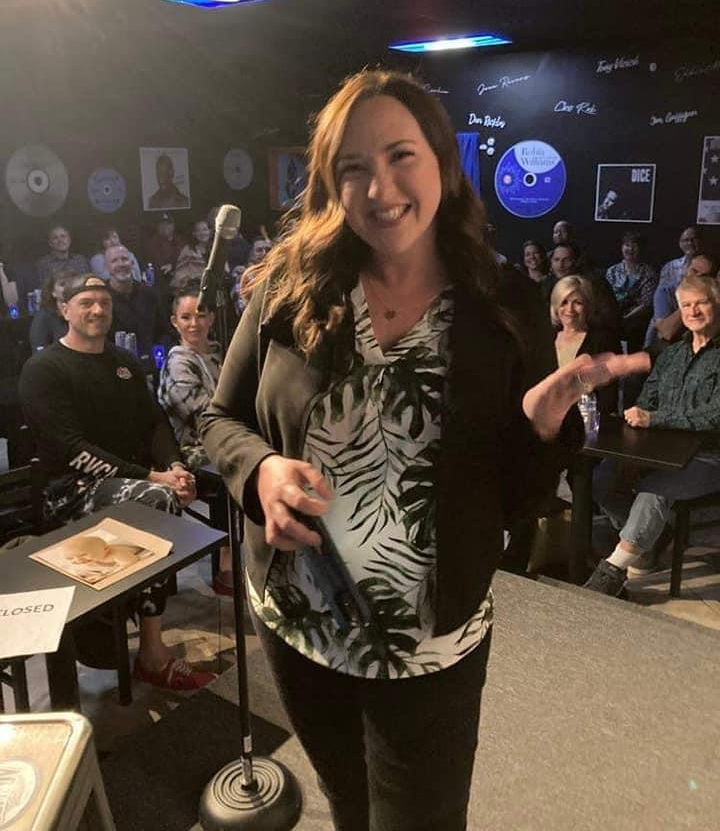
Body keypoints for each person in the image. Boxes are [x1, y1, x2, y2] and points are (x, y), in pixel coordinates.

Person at [200, 69, 646, 831]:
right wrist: (262, 471)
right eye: (353, 167)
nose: (380, 188)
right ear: (330, 183)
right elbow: (219, 421)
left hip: (429, 644)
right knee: (349, 805)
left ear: (442, 162)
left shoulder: (502, 303)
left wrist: (541, 429)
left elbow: (518, 501)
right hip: (297, 622)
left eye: (400, 155)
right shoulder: (290, 286)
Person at [19, 273, 215, 689]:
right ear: (64, 309)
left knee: (162, 493)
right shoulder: (43, 369)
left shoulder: (123, 362)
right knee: (158, 499)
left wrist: (175, 466)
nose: (97, 310)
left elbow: (154, 422)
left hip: (131, 482)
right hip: (69, 493)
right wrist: (154, 477)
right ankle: (153, 653)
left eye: (104, 303)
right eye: (86, 302)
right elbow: (71, 448)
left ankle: (146, 639)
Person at [586, 273, 720, 595]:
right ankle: (649, 540)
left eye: (701, 303)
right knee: (602, 479)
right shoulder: (672, 353)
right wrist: (638, 415)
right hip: (660, 450)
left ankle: (612, 570)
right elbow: (649, 397)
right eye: (686, 305)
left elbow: (714, 416)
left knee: (653, 490)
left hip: (710, 456)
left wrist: (655, 419)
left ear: (717, 304)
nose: (693, 311)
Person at [157, 283, 232, 593]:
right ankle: (227, 565)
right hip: (190, 449)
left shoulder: (218, 353)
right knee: (236, 466)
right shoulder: (177, 361)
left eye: (200, 316)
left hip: (226, 434)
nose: (194, 324)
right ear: (174, 322)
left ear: (211, 318)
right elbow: (202, 415)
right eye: (185, 317)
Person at [551, 275, 621, 416]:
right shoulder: (546, 338)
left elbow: (607, 397)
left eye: (577, 303)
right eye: (564, 302)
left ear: (588, 306)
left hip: (587, 419)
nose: (570, 309)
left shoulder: (603, 340)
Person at [106, 244, 165, 372]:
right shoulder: (101, 300)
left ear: (132, 263)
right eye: (114, 261)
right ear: (107, 267)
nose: (121, 264)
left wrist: (159, 364)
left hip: (153, 367)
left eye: (124, 259)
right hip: (117, 369)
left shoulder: (150, 294)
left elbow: (163, 333)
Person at [542, 242, 620, 334]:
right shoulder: (547, 284)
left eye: (567, 260)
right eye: (556, 259)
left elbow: (609, 318)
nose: (560, 265)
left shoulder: (595, 284)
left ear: (576, 262)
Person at [645, 252, 718, 347]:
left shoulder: (714, 296)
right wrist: (688, 301)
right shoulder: (666, 291)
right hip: (667, 346)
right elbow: (666, 332)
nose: (696, 277)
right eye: (694, 271)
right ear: (687, 268)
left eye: (703, 276)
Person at [605, 232, 657, 351]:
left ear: (641, 249)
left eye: (634, 246)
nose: (630, 249)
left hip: (637, 318)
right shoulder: (612, 270)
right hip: (613, 315)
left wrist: (626, 318)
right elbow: (606, 297)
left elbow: (646, 304)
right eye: (627, 245)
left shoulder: (649, 273)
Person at [29, 269, 71, 350]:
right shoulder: (43, 317)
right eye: (62, 284)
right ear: (53, 292)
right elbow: (39, 350)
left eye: (71, 283)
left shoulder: (81, 311)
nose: (68, 287)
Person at [171, 219, 212, 290]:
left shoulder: (217, 249)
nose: (202, 233)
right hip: (193, 289)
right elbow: (180, 273)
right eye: (198, 230)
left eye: (205, 229)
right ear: (194, 234)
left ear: (210, 231)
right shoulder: (188, 250)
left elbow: (225, 270)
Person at [144, 212, 184, 279]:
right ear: (157, 226)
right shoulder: (152, 243)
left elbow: (186, 260)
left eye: (168, 224)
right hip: (160, 279)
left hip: (181, 277)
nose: (165, 226)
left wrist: (173, 266)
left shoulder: (181, 241)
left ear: (173, 225)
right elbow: (154, 265)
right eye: (162, 224)